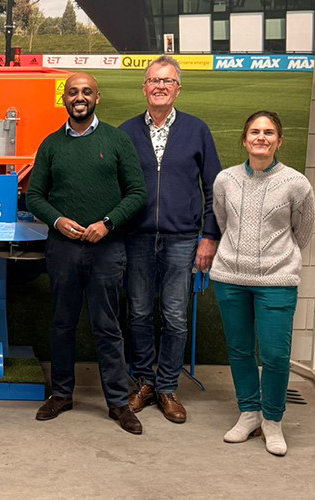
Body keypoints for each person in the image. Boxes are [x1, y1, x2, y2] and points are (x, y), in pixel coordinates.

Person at [26, 72, 147, 434]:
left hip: (107, 250)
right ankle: (62, 394)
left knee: (107, 327)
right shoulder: (50, 145)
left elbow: (137, 193)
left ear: (98, 97)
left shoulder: (116, 140)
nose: (79, 97)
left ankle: (117, 402)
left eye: (87, 92)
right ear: (64, 99)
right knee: (62, 324)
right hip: (62, 250)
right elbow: (34, 196)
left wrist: (107, 223)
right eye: (73, 92)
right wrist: (58, 220)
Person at [119, 56, 222, 424]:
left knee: (175, 316)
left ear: (178, 88)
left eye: (167, 80)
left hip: (182, 238)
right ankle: (144, 381)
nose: (159, 86)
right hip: (138, 238)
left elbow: (214, 189)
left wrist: (209, 236)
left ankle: (166, 387)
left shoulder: (197, 130)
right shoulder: (127, 132)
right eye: (153, 80)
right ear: (144, 87)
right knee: (140, 313)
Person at [211, 110, 314, 456]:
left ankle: (272, 419)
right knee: (240, 351)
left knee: (274, 354)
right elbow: (224, 222)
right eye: (255, 131)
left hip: (277, 280)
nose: (261, 137)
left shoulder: (297, 183)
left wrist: (273, 258)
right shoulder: (225, 179)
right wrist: (242, 255)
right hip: (230, 277)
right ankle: (249, 413)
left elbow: (302, 232)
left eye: (269, 132)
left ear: (279, 141)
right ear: (244, 139)